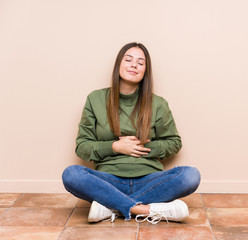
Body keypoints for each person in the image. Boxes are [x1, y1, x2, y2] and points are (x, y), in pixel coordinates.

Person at [62, 42, 201, 224]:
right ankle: (145, 209)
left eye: (140, 63)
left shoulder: (158, 104)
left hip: (150, 179)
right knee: (71, 174)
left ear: (145, 71)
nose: (134, 65)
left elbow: (174, 142)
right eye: (128, 60)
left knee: (191, 175)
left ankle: (112, 206)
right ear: (118, 64)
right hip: (108, 180)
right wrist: (116, 147)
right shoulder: (95, 99)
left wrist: (142, 146)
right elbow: (82, 147)